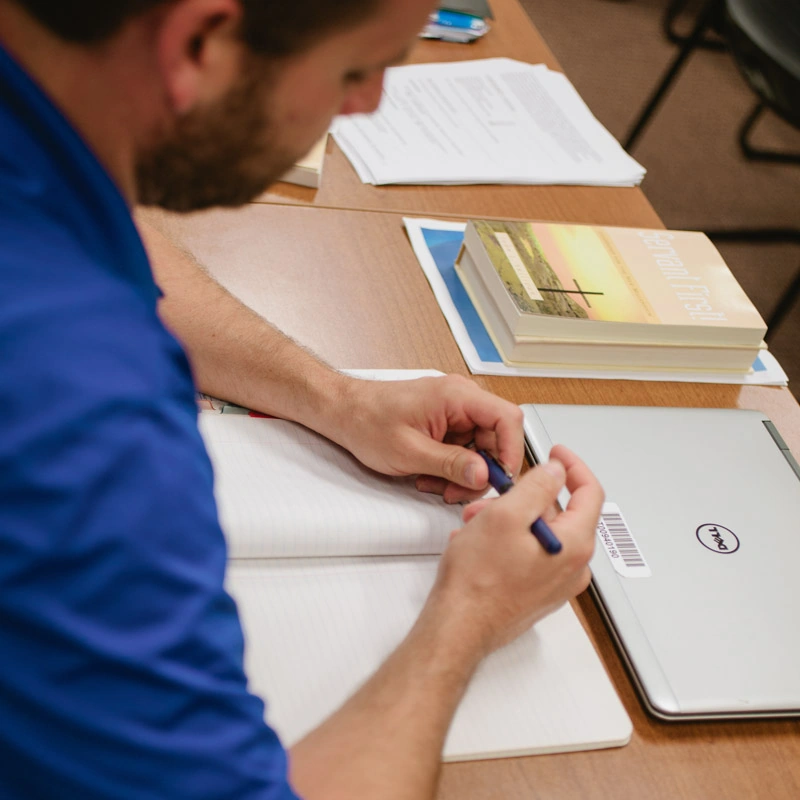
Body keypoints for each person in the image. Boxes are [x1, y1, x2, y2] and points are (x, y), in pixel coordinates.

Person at [0, 1, 604, 798]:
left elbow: (93, 217)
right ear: (199, 40)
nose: (368, 103)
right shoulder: (85, 411)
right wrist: (472, 615)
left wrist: (336, 398)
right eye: (355, 70)